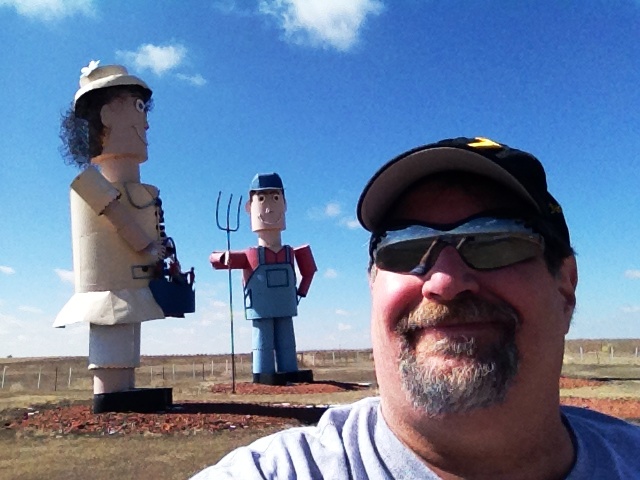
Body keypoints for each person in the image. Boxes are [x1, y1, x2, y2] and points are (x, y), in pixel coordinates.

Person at [192, 137, 640, 479]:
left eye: (495, 241)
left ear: (566, 284)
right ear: (372, 285)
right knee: (263, 342)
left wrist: (303, 287)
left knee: (282, 342)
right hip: (260, 305)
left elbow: (305, 270)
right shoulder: (281, 470)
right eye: (404, 249)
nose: (444, 282)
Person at [210, 173, 317, 385]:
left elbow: (310, 271)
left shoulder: (292, 252)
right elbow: (214, 260)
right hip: (261, 307)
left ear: (285, 205)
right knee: (263, 339)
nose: (268, 208)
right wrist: (224, 257)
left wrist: (301, 292)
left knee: (287, 340)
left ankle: (289, 370)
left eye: (275, 199)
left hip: (286, 305)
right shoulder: (251, 255)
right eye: (261, 200)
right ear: (249, 208)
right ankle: (263, 373)